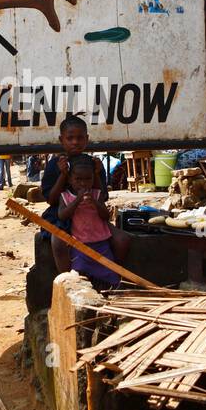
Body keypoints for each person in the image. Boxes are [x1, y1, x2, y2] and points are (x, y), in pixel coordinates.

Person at [42, 116, 130, 274]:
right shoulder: (54, 165)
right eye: (70, 138)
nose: (75, 142)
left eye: (80, 138)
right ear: (62, 140)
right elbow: (51, 200)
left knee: (122, 239)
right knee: (58, 240)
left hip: (91, 214)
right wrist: (63, 174)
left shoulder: (94, 163)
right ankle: (66, 281)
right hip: (62, 216)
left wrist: (96, 173)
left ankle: (114, 275)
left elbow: (102, 197)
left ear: (87, 139)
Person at [57, 155, 121, 289]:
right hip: (79, 245)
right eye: (78, 179)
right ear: (70, 179)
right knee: (79, 274)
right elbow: (62, 215)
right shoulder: (66, 196)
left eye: (88, 179)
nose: (83, 183)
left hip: (101, 243)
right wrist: (77, 200)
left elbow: (106, 215)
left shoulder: (97, 194)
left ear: (93, 178)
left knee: (110, 273)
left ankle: (109, 292)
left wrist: (95, 203)